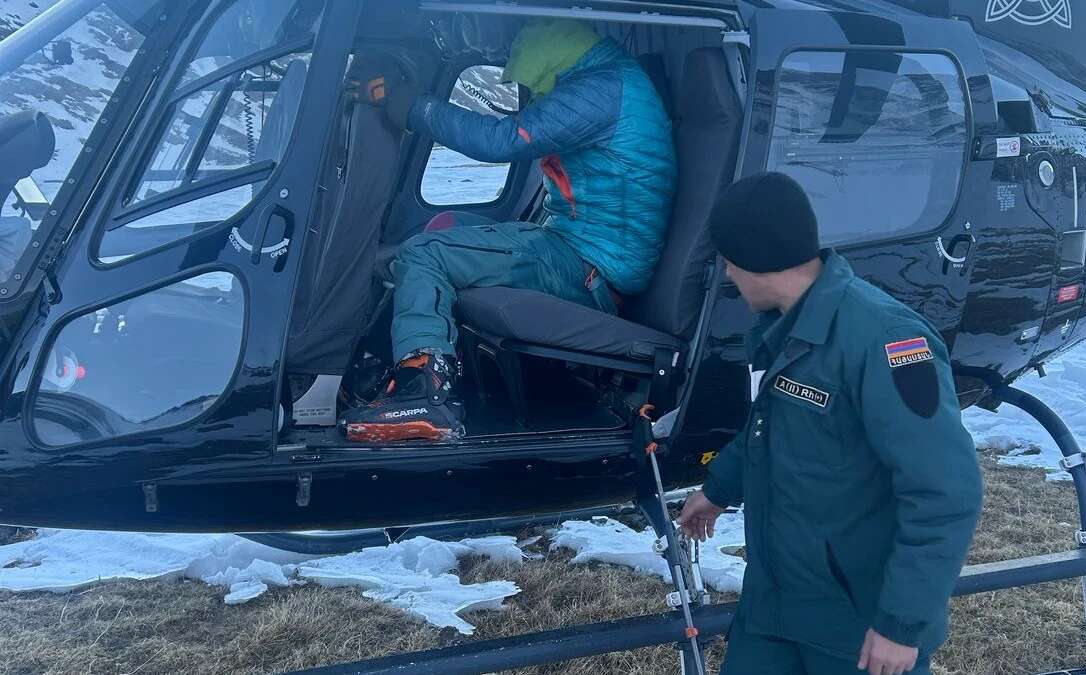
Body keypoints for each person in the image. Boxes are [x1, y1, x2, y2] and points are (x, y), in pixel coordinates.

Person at [679, 173, 983, 675]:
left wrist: (900, 626)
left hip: (856, 624)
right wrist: (718, 489)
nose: (729, 274)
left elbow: (945, 492)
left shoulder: (887, 340)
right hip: (774, 606)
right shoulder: (784, 326)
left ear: (756, 258)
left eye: (729, 260)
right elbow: (772, 426)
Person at [340, 18, 676, 443]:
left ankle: (422, 391)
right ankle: (385, 366)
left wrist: (411, 104)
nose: (530, 92)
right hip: (575, 246)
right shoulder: (604, 80)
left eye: (531, 79)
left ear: (550, 53)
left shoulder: (603, 89)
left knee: (426, 253)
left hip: (591, 267)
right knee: (445, 225)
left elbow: (500, 141)